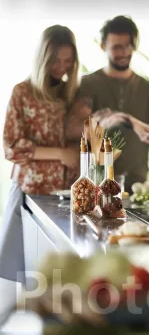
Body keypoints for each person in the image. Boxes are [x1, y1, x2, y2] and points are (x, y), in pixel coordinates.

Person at [1, 25, 82, 283]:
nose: (62, 67)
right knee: (22, 274)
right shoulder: (22, 92)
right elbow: (11, 146)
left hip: (66, 197)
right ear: (43, 58)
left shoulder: (73, 96)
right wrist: (59, 153)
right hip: (30, 193)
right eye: (56, 60)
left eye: (68, 61)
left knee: (59, 278)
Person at [74, 16, 149, 192]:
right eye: (117, 47)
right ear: (103, 47)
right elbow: (82, 129)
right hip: (96, 186)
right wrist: (128, 120)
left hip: (138, 187)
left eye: (129, 46)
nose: (124, 52)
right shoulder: (86, 85)